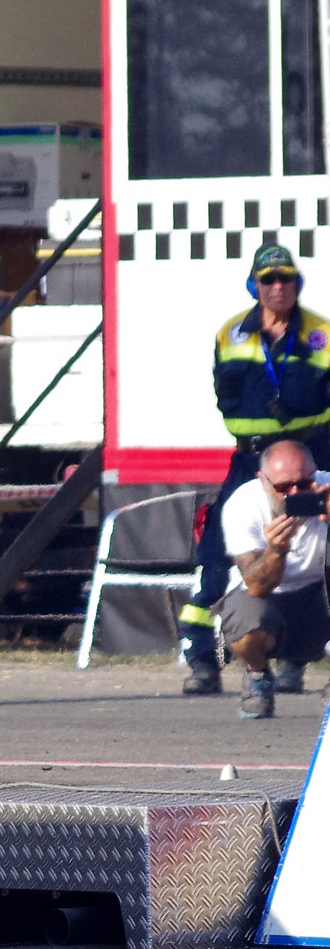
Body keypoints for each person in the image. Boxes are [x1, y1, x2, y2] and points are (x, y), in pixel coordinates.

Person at [186, 245, 330, 695]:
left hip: (310, 456)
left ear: (296, 284)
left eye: (286, 279)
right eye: (268, 280)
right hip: (249, 458)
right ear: (255, 286)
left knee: (314, 546)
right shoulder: (230, 335)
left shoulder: (322, 334)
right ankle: (200, 658)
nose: (278, 287)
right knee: (217, 550)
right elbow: (222, 395)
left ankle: (294, 656)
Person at [216, 438, 330, 718]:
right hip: (267, 604)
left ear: (315, 473)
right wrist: (276, 550)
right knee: (246, 617)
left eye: (303, 485)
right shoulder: (244, 504)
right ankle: (258, 677)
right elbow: (256, 586)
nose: (293, 493)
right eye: (282, 487)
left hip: (319, 600)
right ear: (263, 481)